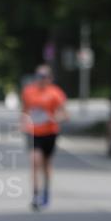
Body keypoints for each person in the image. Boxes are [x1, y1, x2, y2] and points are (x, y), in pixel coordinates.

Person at [21, 64, 68, 210]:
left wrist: (54, 118)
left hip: (50, 132)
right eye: (38, 76)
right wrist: (23, 122)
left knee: (46, 164)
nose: (41, 79)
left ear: (50, 78)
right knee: (35, 161)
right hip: (33, 132)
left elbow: (64, 114)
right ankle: (35, 195)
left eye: (44, 76)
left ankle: (46, 191)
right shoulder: (28, 91)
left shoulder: (55, 93)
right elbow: (25, 111)